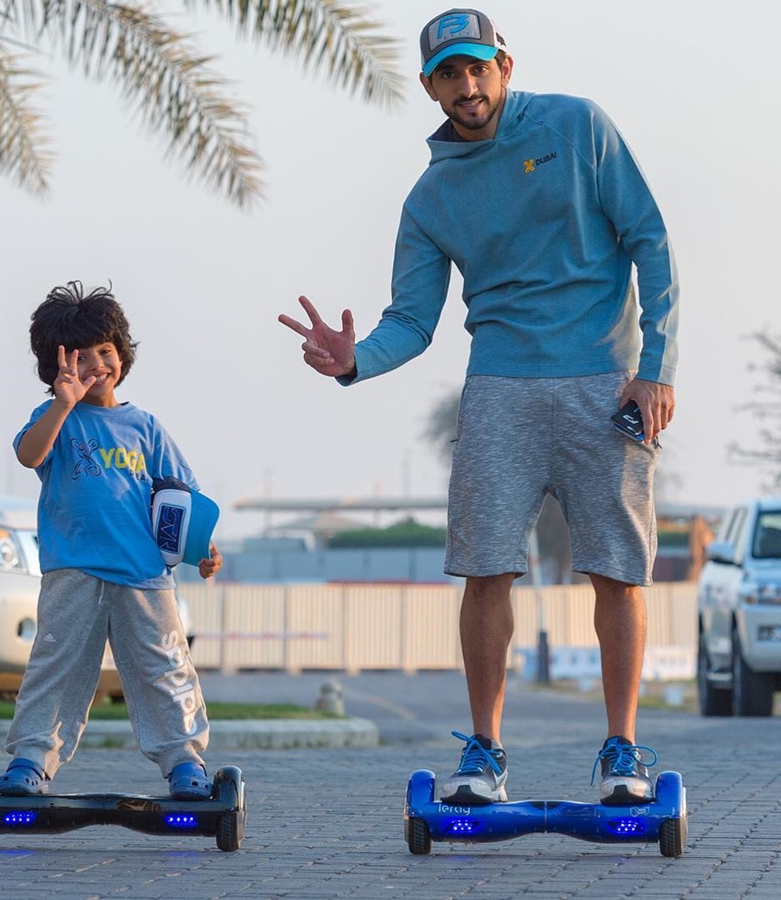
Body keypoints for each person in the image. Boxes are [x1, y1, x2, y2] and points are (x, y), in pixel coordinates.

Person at [279, 8, 678, 806]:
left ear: (504, 64)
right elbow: (413, 322)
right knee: (486, 568)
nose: (468, 85)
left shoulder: (578, 126)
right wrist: (356, 360)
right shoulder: (430, 198)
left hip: (606, 381)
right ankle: (485, 755)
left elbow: (651, 240)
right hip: (499, 389)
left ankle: (622, 754)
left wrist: (657, 367)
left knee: (617, 572)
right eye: (450, 74)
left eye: (479, 67)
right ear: (430, 86)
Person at [0, 281, 222, 799]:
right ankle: (32, 757)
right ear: (56, 366)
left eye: (106, 351)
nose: (97, 364)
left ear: (122, 353)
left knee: (164, 667)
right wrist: (61, 403)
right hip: (73, 569)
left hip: (145, 576)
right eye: (80, 357)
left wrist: (204, 550)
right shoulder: (55, 421)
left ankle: (184, 760)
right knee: (56, 666)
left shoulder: (144, 426)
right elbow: (30, 456)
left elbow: (182, 498)